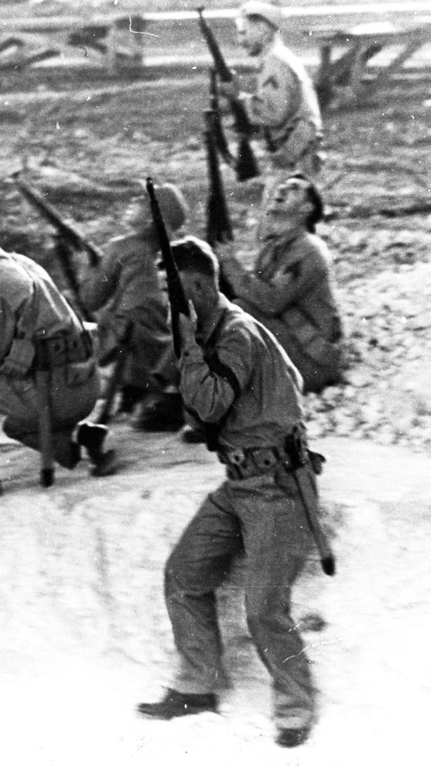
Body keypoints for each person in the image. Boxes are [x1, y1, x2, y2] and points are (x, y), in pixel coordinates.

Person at [138, 237, 319, 749]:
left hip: (278, 487)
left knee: (263, 607)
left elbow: (211, 404)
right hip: (241, 482)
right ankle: (199, 685)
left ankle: (295, 706)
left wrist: (188, 347)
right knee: (184, 574)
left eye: (171, 292)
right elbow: (290, 377)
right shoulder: (222, 326)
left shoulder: (235, 333)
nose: (166, 303)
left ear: (196, 286)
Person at [0, 198, 114, 506]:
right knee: (15, 427)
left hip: (53, 393)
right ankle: (85, 437)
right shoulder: (20, 263)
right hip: (82, 385)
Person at [215, 173, 345, 394]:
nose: (282, 189)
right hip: (295, 344)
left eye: (294, 188)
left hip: (314, 361)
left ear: (306, 208)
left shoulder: (309, 249)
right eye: (281, 186)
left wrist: (230, 264)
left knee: (237, 314)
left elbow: (269, 302)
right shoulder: (273, 248)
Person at [79, 181, 190, 431]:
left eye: (138, 200)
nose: (131, 204)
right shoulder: (180, 248)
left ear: (153, 215)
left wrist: (87, 267)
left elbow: (90, 299)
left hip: (130, 336)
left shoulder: (122, 246)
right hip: (163, 345)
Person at [218, 0, 323, 182]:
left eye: (244, 32)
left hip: (295, 151)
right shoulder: (277, 58)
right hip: (297, 148)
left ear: (263, 30)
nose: (240, 41)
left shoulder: (275, 62)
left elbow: (272, 113)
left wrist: (236, 96)